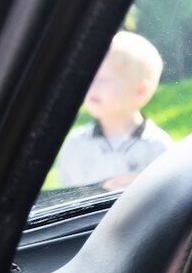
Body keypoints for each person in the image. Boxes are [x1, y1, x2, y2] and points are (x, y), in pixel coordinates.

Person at [54, 30, 174, 191]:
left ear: (139, 91)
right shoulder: (75, 145)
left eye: (103, 79)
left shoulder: (157, 147)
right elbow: (66, 197)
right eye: (89, 76)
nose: (91, 85)